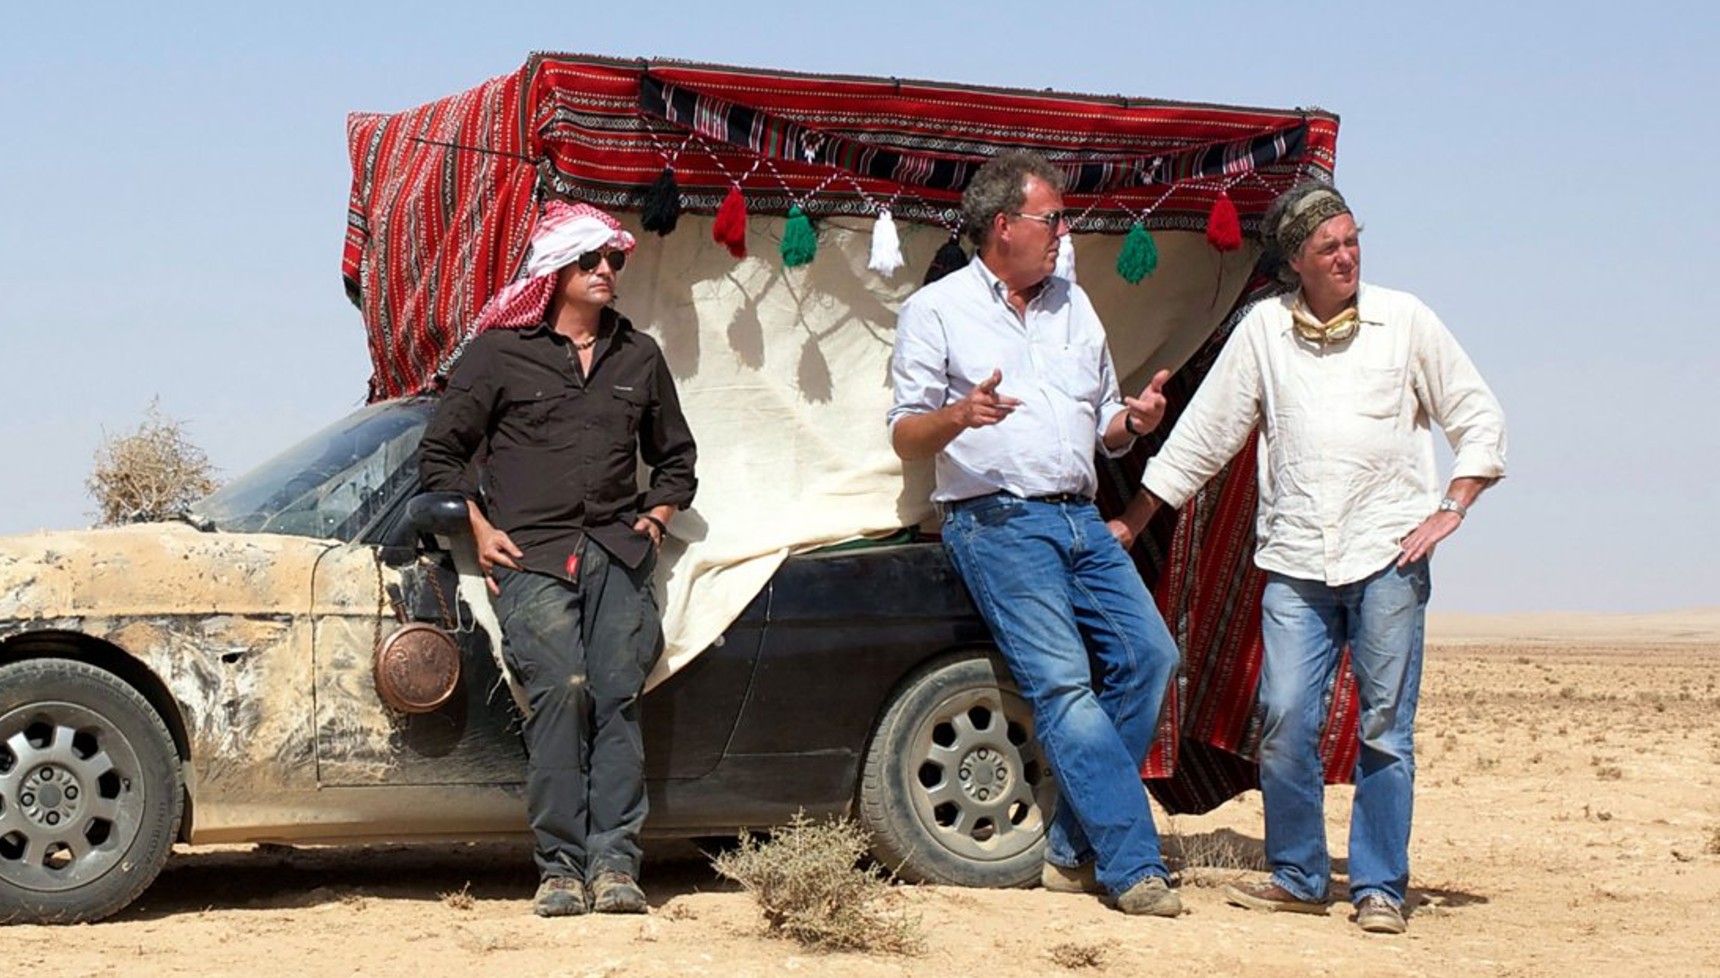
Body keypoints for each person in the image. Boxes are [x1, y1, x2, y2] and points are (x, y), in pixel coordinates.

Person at [1109, 181, 1507, 934]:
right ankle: (1298, 872)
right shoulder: (1263, 333)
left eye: (1353, 239)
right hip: (1295, 561)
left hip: (1388, 556)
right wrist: (1135, 518)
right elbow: (1205, 435)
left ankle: (1380, 887)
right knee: (1286, 716)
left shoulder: (1407, 321)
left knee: (1385, 727)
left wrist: (1451, 507)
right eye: (1330, 246)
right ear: (1296, 262)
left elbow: (1477, 415)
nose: (1348, 254)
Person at [888, 149, 1184, 917]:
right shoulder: (938, 311)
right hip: (998, 521)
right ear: (1002, 227)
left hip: (1080, 517)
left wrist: (1133, 422)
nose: (1062, 231)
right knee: (1064, 687)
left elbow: (1104, 422)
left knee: (1152, 659)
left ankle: (1069, 847)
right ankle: (1132, 866)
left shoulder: (1074, 306)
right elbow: (905, 437)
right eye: (1051, 218)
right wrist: (959, 415)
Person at [419, 200, 697, 918]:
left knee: (615, 691)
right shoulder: (498, 355)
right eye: (590, 261)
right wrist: (477, 527)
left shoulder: (640, 356)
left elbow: (676, 460)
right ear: (555, 272)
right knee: (563, 688)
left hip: (615, 550)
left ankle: (616, 867)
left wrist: (656, 519)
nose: (606, 271)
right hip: (531, 555)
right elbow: (441, 455)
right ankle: (560, 868)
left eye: (613, 261)